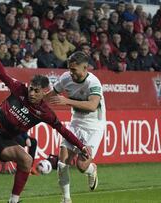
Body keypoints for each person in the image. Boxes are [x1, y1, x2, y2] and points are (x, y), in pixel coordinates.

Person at [0, 33, 91, 203]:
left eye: (36, 91)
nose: (31, 93)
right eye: (31, 88)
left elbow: (63, 131)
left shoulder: (45, 112)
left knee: (26, 160)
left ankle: (14, 200)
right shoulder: (19, 89)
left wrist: (81, 146)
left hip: (5, 140)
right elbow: (0, 73)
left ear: (44, 92)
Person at [45, 51, 106, 203]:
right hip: (76, 123)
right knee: (62, 161)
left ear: (85, 68)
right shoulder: (66, 78)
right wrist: (33, 101)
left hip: (94, 126)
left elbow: (92, 105)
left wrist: (67, 102)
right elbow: (53, 94)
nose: (71, 73)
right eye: (69, 68)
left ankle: (91, 170)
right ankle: (66, 199)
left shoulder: (93, 83)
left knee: (81, 166)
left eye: (74, 70)